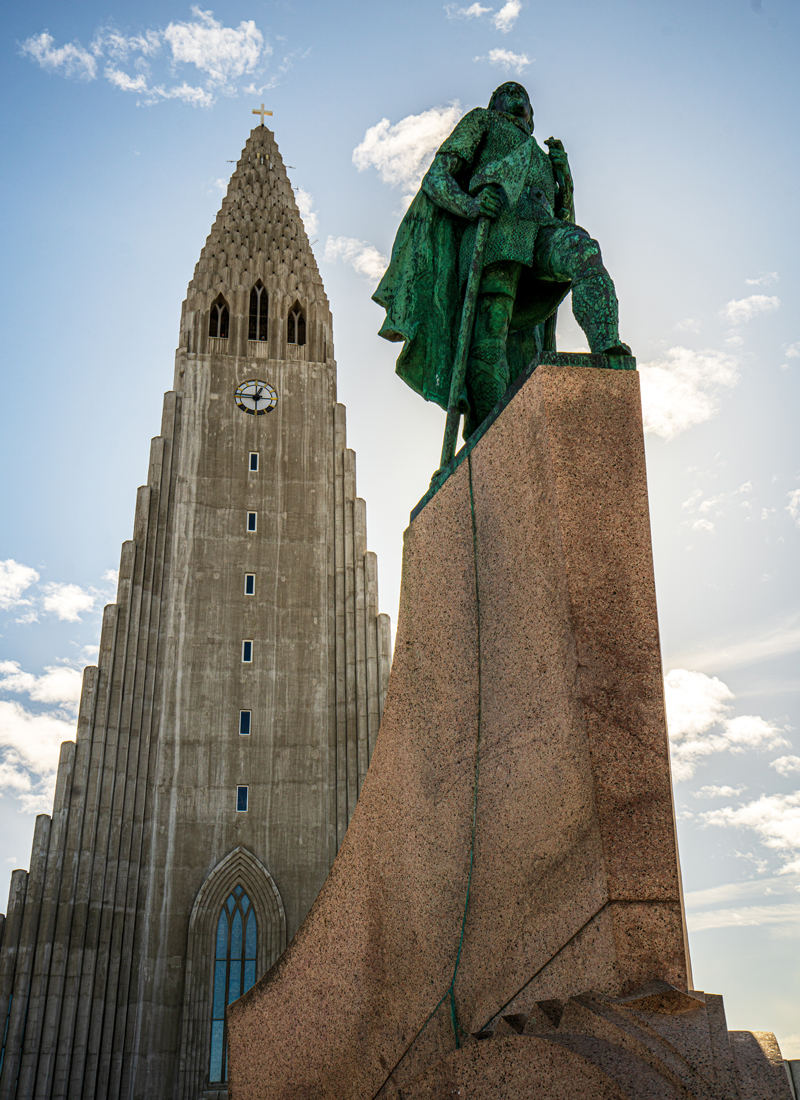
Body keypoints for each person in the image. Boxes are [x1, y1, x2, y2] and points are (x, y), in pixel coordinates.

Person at [373, 82, 631, 437]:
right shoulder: (482, 122)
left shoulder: (542, 157)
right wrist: (470, 205)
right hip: (496, 238)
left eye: (522, 96)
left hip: (540, 233)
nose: (515, 97)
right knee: (490, 332)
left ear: (533, 116)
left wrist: (565, 184)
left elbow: (562, 219)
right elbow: (437, 177)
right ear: (494, 103)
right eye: (506, 93)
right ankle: (493, 433)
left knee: (583, 251)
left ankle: (607, 348)